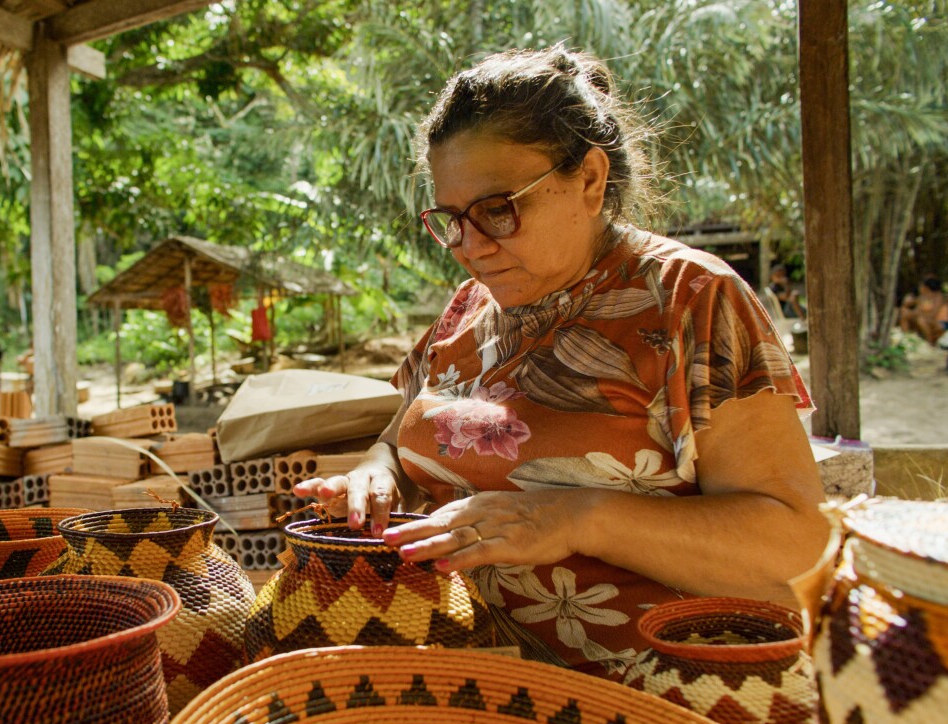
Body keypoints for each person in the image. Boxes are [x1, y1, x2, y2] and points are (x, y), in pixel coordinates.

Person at [294, 46, 828, 678]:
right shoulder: (470, 306)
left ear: (591, 180)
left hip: (658, 692)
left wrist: (578, 518)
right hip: (473, 682)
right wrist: (374, 477)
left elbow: (796, 546)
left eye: (499, 209)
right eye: (451, 220)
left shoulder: (690, 299)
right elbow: (398, 439)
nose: (471, 246)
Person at [898, 276, 948, 345]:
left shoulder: (938, 297)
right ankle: (906, 339)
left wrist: (916, 313)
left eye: (921, 286)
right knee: (905, 314)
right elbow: (914, 309)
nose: (919, 288)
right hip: (925, 319)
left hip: (940, 322)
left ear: (926, 288)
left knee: (921, 320)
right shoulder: (922, 297)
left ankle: (930, 342)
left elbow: (933, 315)